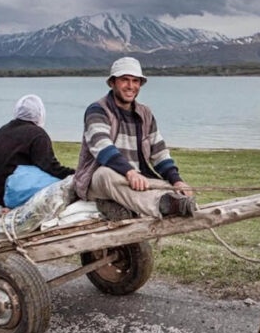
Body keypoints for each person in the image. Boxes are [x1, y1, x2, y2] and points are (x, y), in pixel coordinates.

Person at [73, 57, 196, 218]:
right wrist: (129, 172)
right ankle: (161, 205)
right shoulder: (97, 110)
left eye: (135, 81)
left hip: (138, 178)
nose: (131, 86)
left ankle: (173, 202)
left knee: (176, 190)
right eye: (125, 80)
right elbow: (102, 146)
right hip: (99, 180)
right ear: (112, 82)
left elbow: (159, 153)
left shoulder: (145, 113)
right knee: (105, 174)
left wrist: (176, 180)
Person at [0, 94, 75, 206]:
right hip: (4, 194)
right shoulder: (37, 134)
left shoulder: (5, 129)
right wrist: (75, 175)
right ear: (40, 113)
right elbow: (50, 167)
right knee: (56, 184)